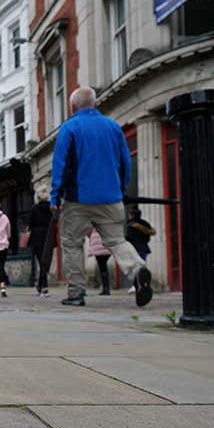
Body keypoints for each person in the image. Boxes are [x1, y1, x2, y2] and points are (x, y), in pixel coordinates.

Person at [50, 86, 152, 307]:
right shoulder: (113, 127)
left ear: (72, 106)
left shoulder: (69, 128)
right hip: (111, 198)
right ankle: (137, 269)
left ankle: (76, 293)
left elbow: (60, 166)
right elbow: (125, 162)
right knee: (116, 240)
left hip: (78, 199)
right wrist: (120, 189)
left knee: (72, 243)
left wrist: (54, 197)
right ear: (94, 103)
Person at [28, 188, 56, 297]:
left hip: (37, 237)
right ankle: (41, 287)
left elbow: (30, 223)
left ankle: (44, 288)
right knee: (46, 263)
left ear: (38, 197)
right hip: (49, 237)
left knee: (41, 263)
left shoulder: (34, 209)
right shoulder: (51, 208)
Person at [85, 226, 112, 296]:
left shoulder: (93, 221)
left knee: (102, 267)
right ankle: (106, 288)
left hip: (97, 245)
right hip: (106, 244)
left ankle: (105, 289)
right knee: (104, 267)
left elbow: (88, 232)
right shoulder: (105, 221)